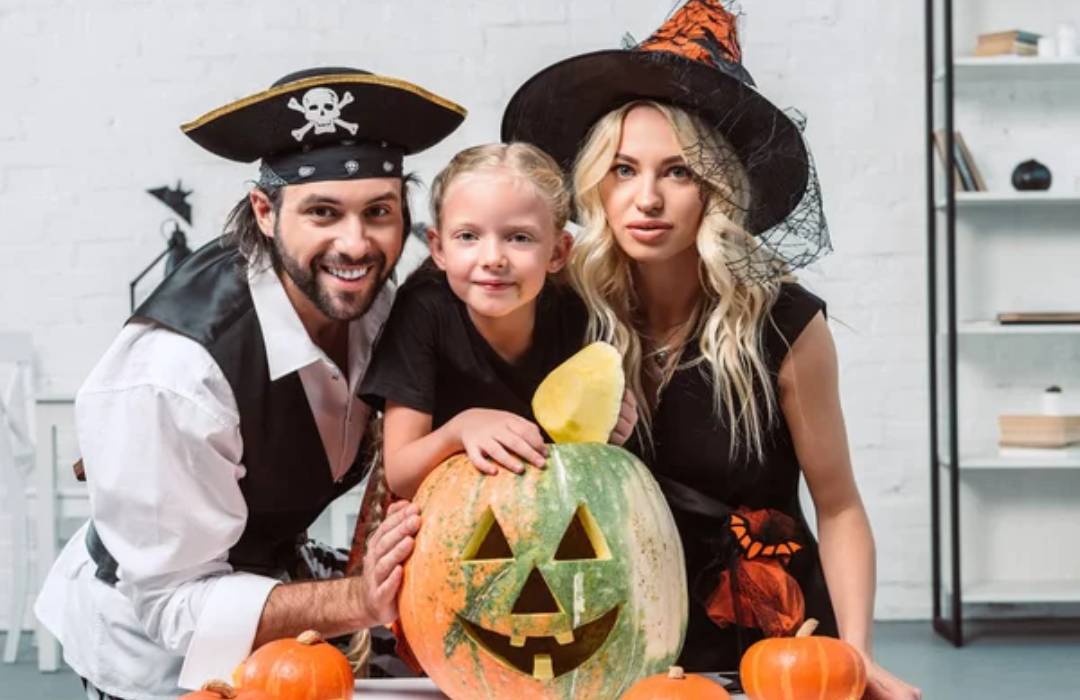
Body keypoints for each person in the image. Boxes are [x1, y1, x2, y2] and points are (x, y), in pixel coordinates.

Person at [502, 2, 921, 698]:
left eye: (679, 172)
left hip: (771, 642)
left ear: (717, 189)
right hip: (616, 637)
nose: (647, 198)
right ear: (596, 183)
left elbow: (840, 504)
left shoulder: (784, 322)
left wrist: (857, 653)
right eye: (624, 169)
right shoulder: (565, 314)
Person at [34, 67, 465, 700]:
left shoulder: (372, 299)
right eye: (322, 212)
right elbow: (173, 605)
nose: (355, 244)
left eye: (378, 212)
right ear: (265, 212)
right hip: (154, 648)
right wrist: (359, 599)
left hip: (271, 602)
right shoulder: (178, 374)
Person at [357, 143, 636, 501]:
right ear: (439, 249)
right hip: (443, 507)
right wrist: (459, 430)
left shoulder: (575, 313)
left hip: (544, 503)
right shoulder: (422, 310)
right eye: (468, 236)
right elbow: (401, 475)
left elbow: (580, 465)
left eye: (519, 238)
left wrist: (606, 429)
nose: (492, 258)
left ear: (557, 252)